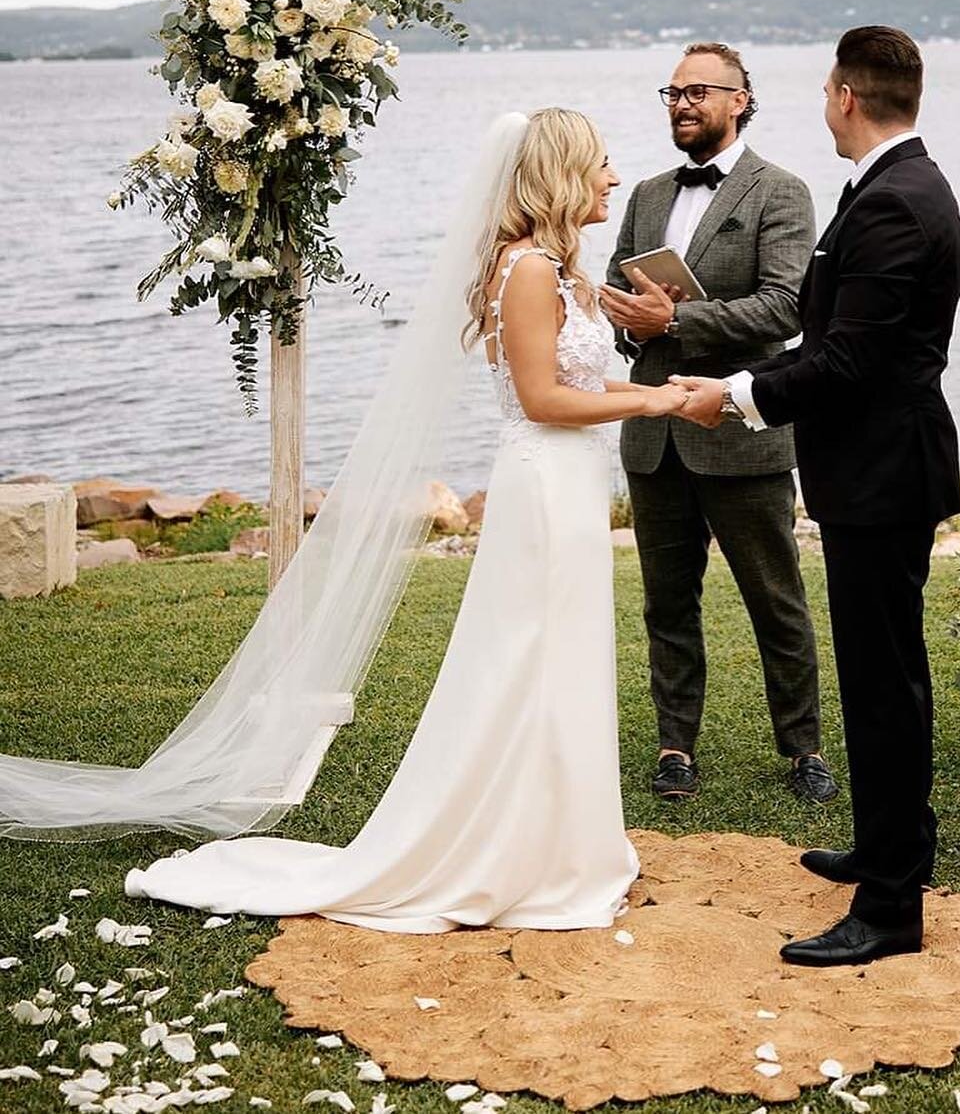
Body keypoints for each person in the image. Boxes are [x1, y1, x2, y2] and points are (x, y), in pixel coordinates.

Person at [121, 109, 688, 932]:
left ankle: (558, 839)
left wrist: (649, 383)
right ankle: (508, 849)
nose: (611, 178)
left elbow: (578, 388)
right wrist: (658, 401)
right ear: (563, 173)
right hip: (542, 480)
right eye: (600, 164)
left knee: (558, 660)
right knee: (527, 659)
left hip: (567, 480)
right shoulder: (526, 269)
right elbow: (542, 399)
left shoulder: (557, 268)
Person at [673, 27, 960, 966]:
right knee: (885, 675)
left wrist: (740, 394)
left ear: (845, 93)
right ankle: (893, 847)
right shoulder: (896, 185)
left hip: (881, 475)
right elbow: (838, 335)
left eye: (824, 90)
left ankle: (887, 907)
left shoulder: (894, 201)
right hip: (877, 469)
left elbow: (848, 358)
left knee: (881, 688)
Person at [599, 43, 834, 805]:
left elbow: (786, 306)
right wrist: (634, 328)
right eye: (672, 92)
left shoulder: (782, 192)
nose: (681, 103)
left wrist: (680, 317)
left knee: (775, 597)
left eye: (698, 91)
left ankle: (802, 747)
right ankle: (675, 746)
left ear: (741, 99)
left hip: (741, 428)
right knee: (666, 601)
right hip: (653, 435)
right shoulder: (642, 194)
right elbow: (611, 296)